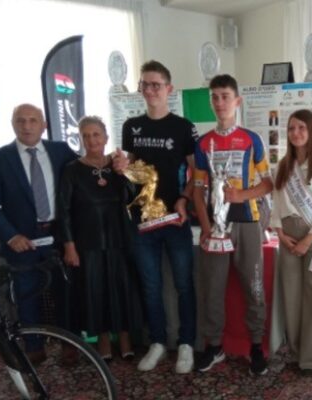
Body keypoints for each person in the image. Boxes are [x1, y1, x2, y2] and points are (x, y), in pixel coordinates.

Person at [112, 60, 198, 374]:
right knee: (150, 285)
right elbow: (132, 170)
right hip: (143, 221)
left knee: (183, 284)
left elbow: (197, 172)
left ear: (169, 89)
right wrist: (121, 167)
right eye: (145, 84)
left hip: (175, 218)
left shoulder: (183, 127)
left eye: (156, 85)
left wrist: (184, 199)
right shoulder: (131, 126)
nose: (150, 90)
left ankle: (186, 343)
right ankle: (158, 342)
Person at [193, 74, 273, 376]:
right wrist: (206, 227)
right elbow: (198, 190)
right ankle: (214, 346)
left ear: (237, 101)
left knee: (254, 287)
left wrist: (241, 195)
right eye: (214, 97)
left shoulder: (252, 139)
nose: (219, 102)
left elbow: (268, 183)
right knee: (212, 289)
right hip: (216, 226)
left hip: (248, 223)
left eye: (225, 96)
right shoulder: (203, 143)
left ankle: (256, 346)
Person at [0, 103, 77, 363]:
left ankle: (69, 344)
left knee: (65, 293)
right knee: (26, 296)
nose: (27, 126)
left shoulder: (61, 151)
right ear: (13, 124)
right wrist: (10, 235)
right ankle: (33, 346)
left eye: (33, 120)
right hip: (21, 241)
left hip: (58, 236)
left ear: (43, 125)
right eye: (21, 120)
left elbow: (85, 170)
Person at [57, 116, 141, 362]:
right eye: (86, 135)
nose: (92, 140)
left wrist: (124, 173)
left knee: (122, 288)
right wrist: (69, 246)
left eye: (96, 134)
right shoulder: (72, 170)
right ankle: (103, 339)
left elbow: (132, 198)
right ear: (81, 139)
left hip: (119, 238)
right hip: (88, 243)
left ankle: (124, 337)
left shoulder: (118, 165)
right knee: (95, 291)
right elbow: (64, 210)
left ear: (106, 138)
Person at [270, 109, 312, 376]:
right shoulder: (282, 166)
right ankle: (296, 352)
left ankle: (311, 359)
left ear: (311, 131)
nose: (295, 133)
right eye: (291, 128)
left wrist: (308, 240)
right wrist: (279, 233)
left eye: (301, 128)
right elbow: (276, 204)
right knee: (292, 295)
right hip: (287, 235)